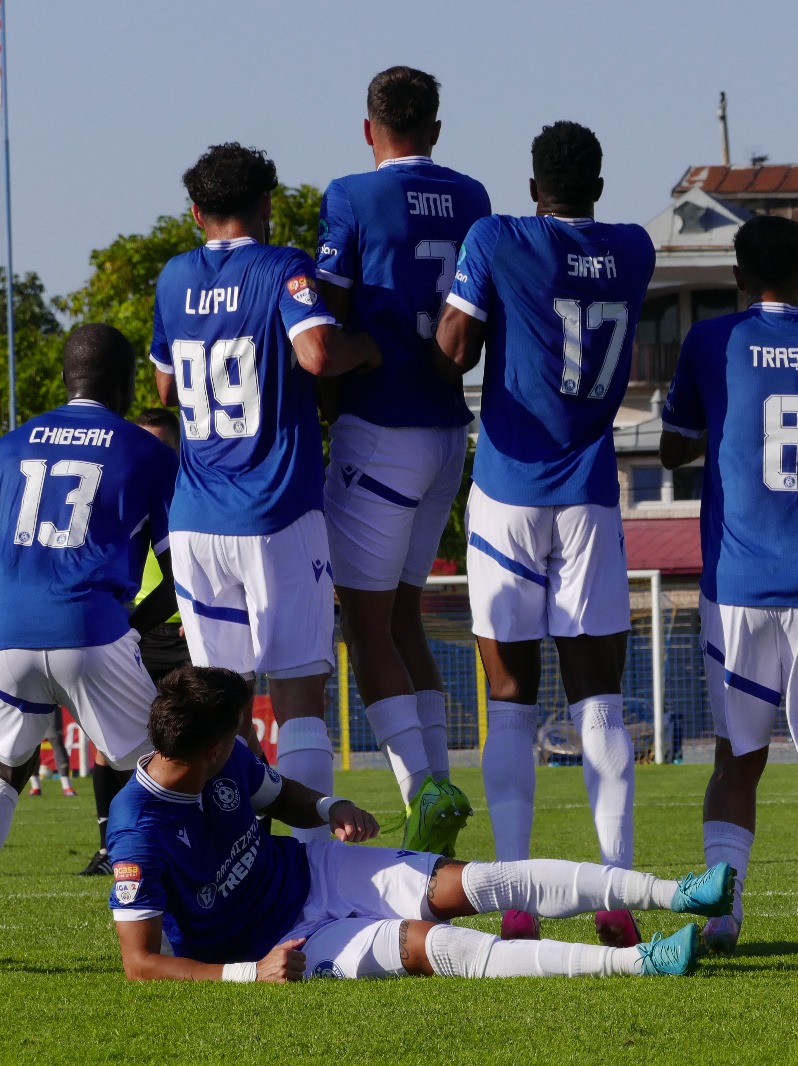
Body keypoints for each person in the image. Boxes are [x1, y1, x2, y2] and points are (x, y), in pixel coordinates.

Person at [108, 665, 731, 982]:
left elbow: (279, 797)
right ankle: (641, 962)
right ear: (211, 748)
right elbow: (140, 963)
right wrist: (252, 972)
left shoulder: (224, 759)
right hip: (278, 945)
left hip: (314, 870)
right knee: (440, 946)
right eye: (240, 730)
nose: (251, 735)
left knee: (485, 881)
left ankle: (677, 893)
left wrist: (328, 809)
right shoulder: (138, 829)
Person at [434, 121, 656, 946]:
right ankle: (615, 889)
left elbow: (455, 348)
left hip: (509, 490)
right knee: (600, 704)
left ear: (533, 189)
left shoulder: (498, 236)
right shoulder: (634, 249)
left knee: (511, 704)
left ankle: (516, 898)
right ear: (598, 184)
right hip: (589, 493)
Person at [659, 214, 798, 955]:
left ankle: (723, 912)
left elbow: (672, 450)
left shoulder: (709, 341)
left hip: (739, 582)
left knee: (736, 760)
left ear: (737, 275)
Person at [150, 142, 381, 843]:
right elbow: (317, 353)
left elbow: (164, 386)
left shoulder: (173, 277)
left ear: (196, 212)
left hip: (196, 518)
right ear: (267, 205)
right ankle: (311, 864)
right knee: (299, 693)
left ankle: (232, 853)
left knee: (221, 706)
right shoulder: (283, 266)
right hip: (275, 511)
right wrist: (367, 348)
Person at [0, 324, 179, 959]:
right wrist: (126, 627)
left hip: (1, 630)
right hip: (90, 627)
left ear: (64, 379)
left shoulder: (7, 446)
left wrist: (11, 608)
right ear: (127, 384)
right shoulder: (147, 451)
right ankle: (192, 918)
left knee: (5, 766)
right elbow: (179, 575)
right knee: (161, 766)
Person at [316, 67, 492, 856]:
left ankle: (425, 796)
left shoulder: (351, 194)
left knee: (366, 626)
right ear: (437, 129)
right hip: (449, 430)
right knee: (402, 618)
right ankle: (439, 789)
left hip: (381, 425)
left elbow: (328, 316)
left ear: (368, 128)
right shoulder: (473, 195)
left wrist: (331, 400)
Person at [80, 408, 191, 878]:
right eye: (142, 443)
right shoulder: (115, 490)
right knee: (106, 740)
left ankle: (239, 834)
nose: (150, 453)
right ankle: (109, 847)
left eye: (161, 444)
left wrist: (202, 612)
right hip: (134, 629)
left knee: (215, 733)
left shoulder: (189, 490)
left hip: (186, 630)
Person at [26, 710, 77, 797]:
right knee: (31, 742)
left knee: (55, 739)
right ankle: (35, 786)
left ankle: (67, 786)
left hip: (50, 706)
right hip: (29, 708)